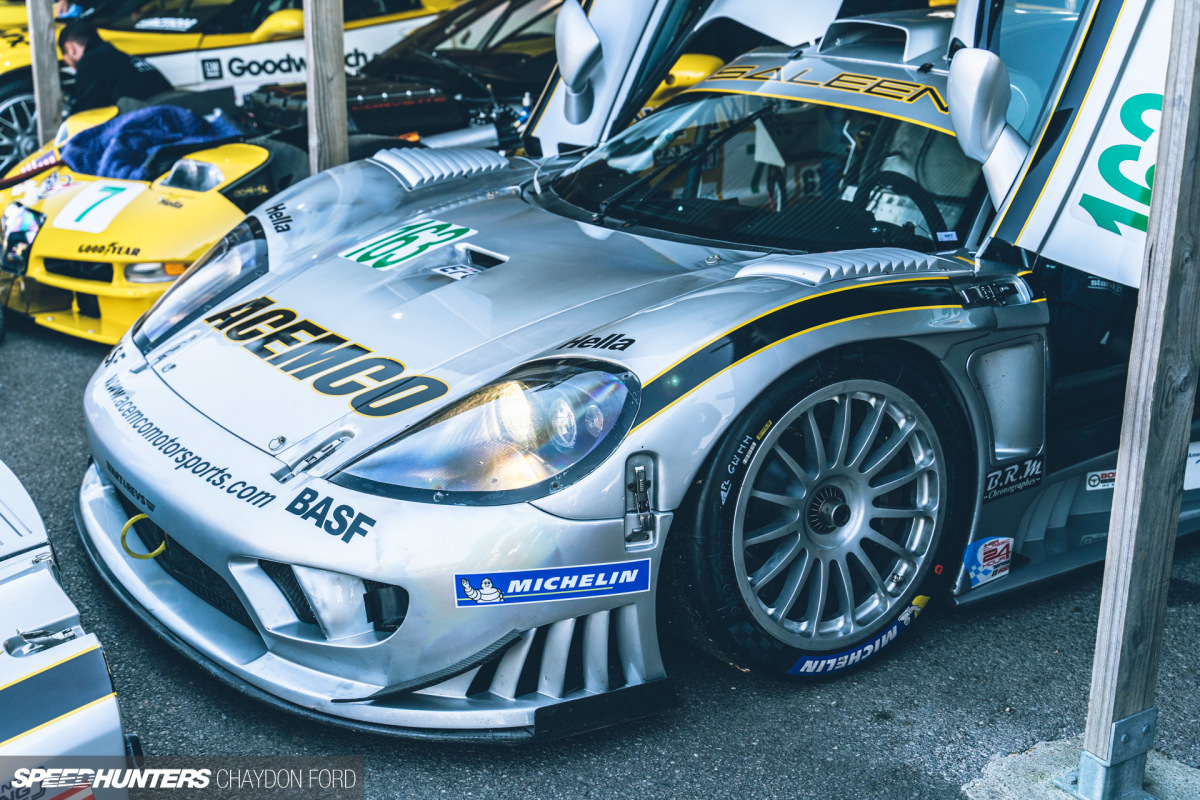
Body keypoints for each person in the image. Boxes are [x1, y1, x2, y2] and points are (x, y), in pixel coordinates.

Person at [58, 19, 173, 113]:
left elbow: (84, 113)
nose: (72, 67)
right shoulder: (120, 56)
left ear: (70, 48)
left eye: (66, 59)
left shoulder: (91, 61)